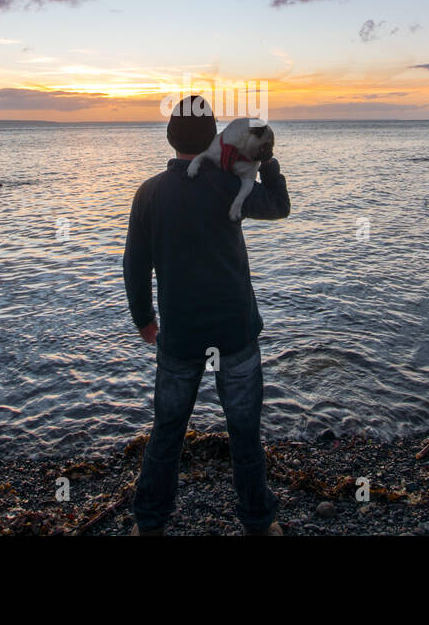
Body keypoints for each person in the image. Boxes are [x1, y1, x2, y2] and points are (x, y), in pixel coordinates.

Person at [123, 94, 291, 535]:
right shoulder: (228, 184)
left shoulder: (150, 192)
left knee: (167, 431)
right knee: (244, 433)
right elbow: (279, 206)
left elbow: (135, 264)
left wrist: (144, 318)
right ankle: (258, 522)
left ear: (169, 136)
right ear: (218, 135)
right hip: (234, 331)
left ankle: (149, 522)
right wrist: (266, 158)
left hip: (179, 335)